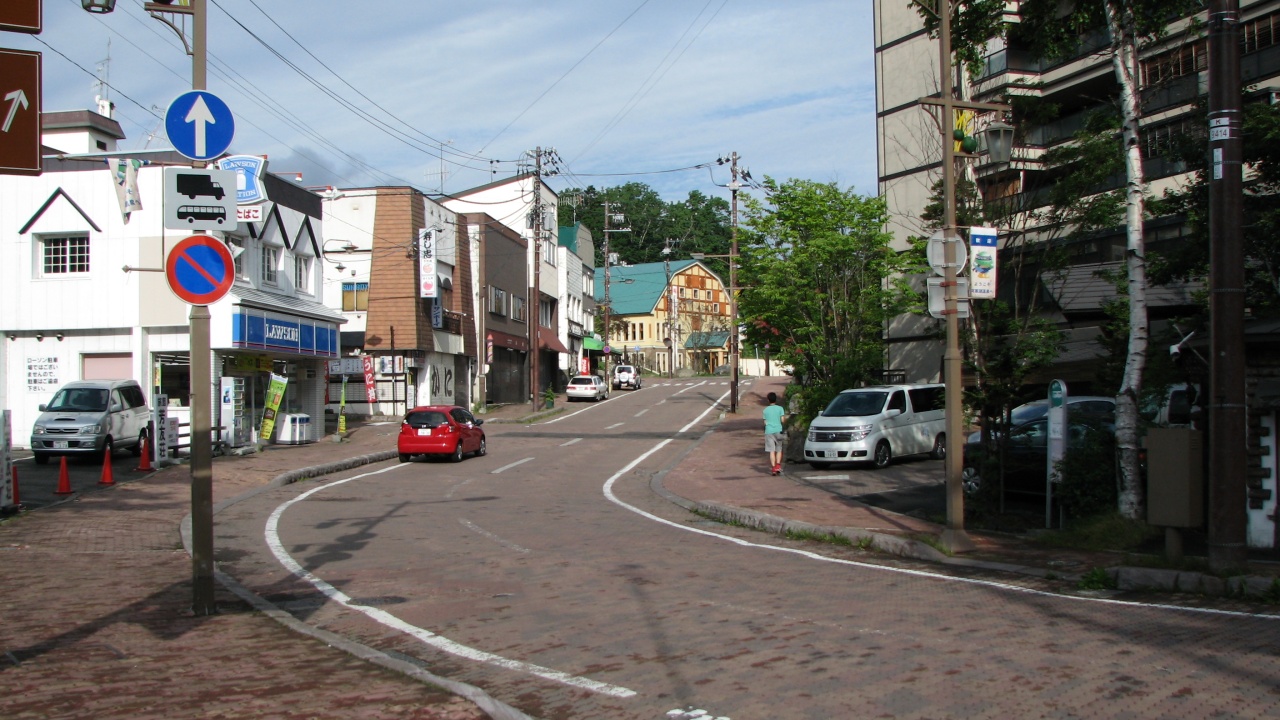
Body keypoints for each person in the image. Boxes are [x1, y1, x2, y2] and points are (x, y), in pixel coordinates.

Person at [763, 391, 787, 475]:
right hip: (778, 430)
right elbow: (782, 420)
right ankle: (778, 466)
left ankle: (773, 468)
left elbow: (765, 423)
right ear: (775, 399)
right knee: (779, 449)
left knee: (771, 451)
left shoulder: (765, 410)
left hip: (769, 431)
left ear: (768, 400)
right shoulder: (780, 409)